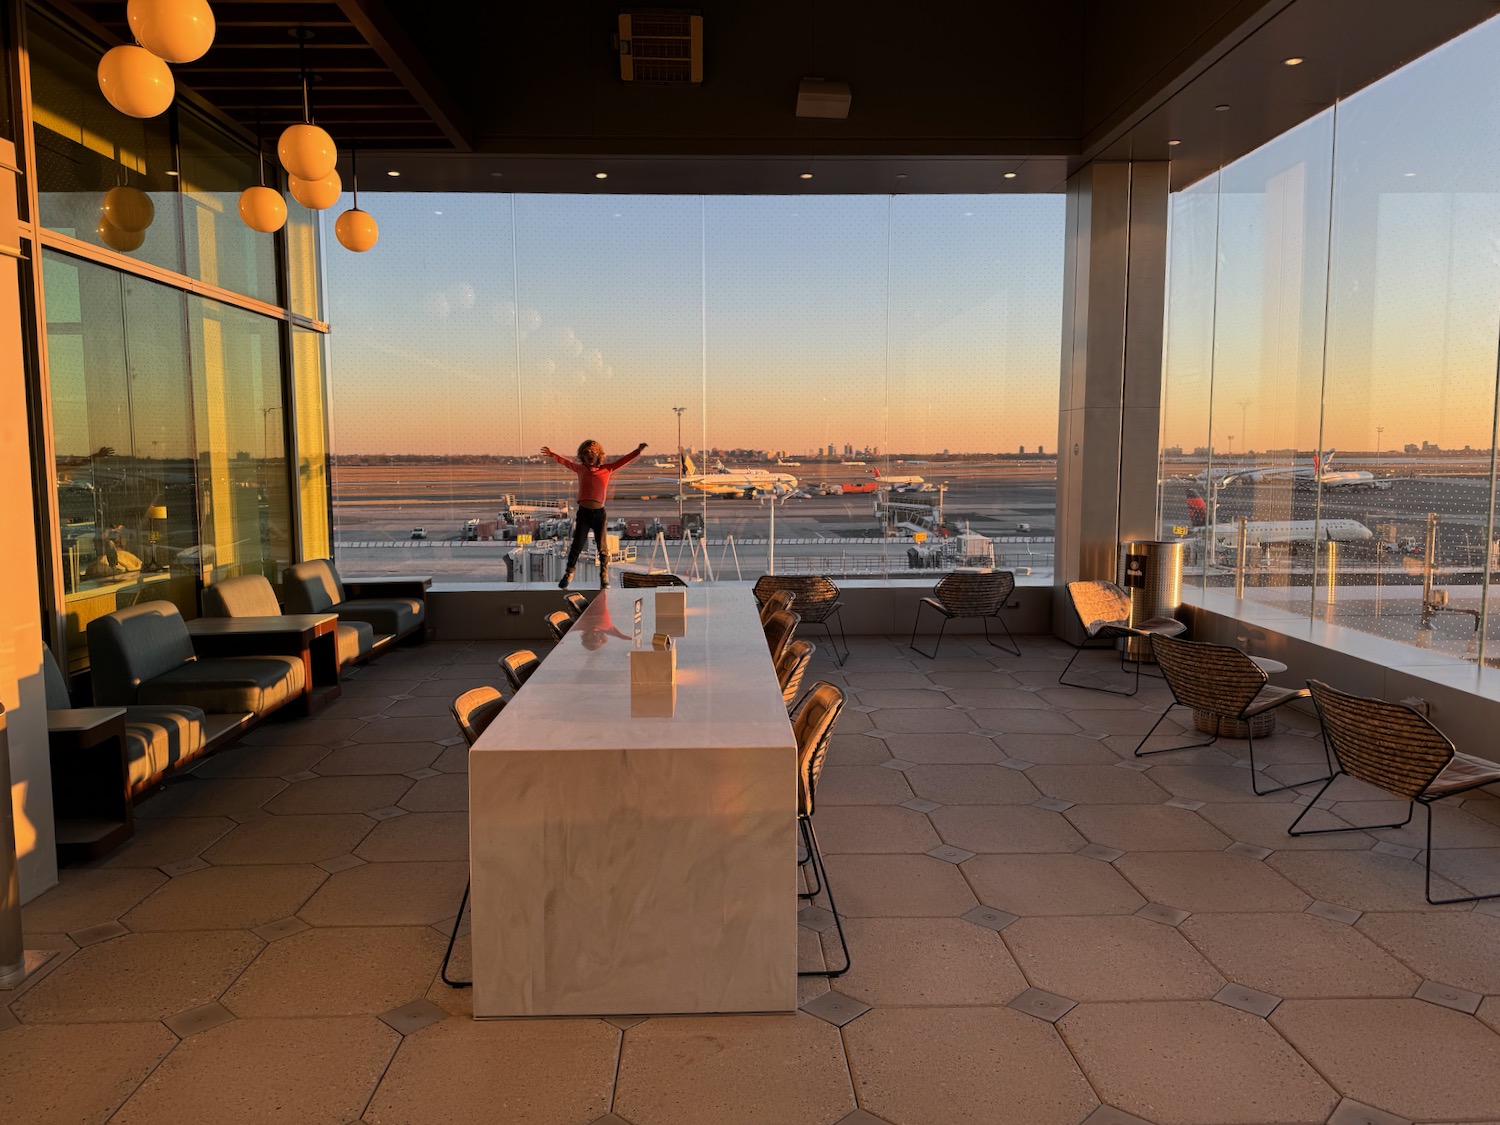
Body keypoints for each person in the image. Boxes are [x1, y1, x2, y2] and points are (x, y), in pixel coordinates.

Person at [542, 439, 647, 589]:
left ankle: (604, 577)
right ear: (582, 456)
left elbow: (623, 461)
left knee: (602, 548)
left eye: (592, 451)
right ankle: (569, 573)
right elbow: (566, 462)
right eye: (586, 452)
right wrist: (553, 454)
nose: (589, 454)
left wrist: (637, 451)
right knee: (577, 545)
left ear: (599, 454)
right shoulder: (580, 469)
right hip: (584, 513)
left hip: (599, 514)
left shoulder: (607, 469)